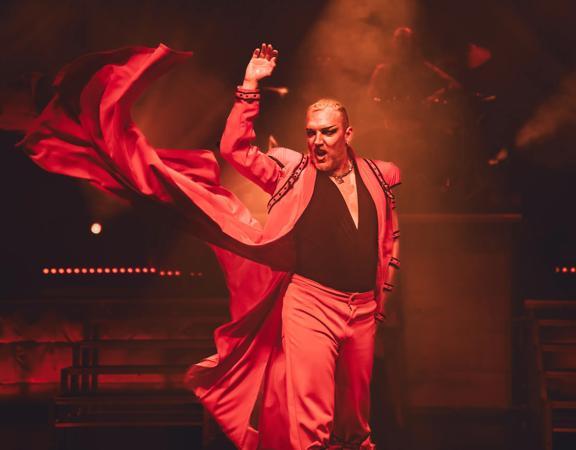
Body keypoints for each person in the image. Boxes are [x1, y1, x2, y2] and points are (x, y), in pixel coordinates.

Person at [17, 42, 400, 449]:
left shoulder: (380, 176)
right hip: (310, 304)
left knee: (356, 424)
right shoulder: (292, 174)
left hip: (360, 312)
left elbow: (389, 240)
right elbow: (235, 150)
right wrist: (250, 85)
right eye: (311, 133)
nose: (318, 142)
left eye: (328, 132)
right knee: (311, 422)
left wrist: (382, 303)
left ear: (348, 133)